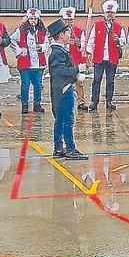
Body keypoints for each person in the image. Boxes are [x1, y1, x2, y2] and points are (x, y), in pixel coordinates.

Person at [46, 18, 89, 160]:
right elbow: (60, 72)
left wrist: (76, 76)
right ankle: (70, 148)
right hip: (63, 90)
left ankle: (58, 148)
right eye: (66, 33)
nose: (69, 35)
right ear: (60, 36)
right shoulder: (57, 52)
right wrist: (78, 69)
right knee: (67, 120)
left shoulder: (60, 51)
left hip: (63, 88)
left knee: (59, 120)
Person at [85, 0, 126, 112]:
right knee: (97, 79)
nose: (109, 14)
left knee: (110, 81)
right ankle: (94, 102)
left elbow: (124, 41)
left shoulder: (119, 27)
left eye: (112, 12)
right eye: (108, 12)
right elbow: (91, 40)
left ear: (115, 14)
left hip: (112, 57)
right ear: (104, 13)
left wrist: (119, 40)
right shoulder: (97, 25)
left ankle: (109, 101)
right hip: (99, 57)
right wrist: (88, 52)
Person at [10, 8, 49, 115]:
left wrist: (41, 47)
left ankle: (37, 104)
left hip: (38, 64)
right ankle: (25, 105)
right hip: (25, 63)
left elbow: (47, 44)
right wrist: (19, 51)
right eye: (31, 19)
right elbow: (11, 40)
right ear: (28, 19)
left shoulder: (42, 31)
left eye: (35, 19)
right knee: (25, 84)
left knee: (38, 85)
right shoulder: (21, 31)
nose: (33, 21)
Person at [60, 7, 89, 111]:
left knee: (79, 81)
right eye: (67, 20)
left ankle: (81, 101)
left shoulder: (79, 31)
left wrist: (79, 43)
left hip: (76, 59)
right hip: (64, 60)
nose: (69, 22)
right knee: (64, 82)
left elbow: (84, 46)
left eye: (71, 20)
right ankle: (64, 101)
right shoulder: (60, 32)